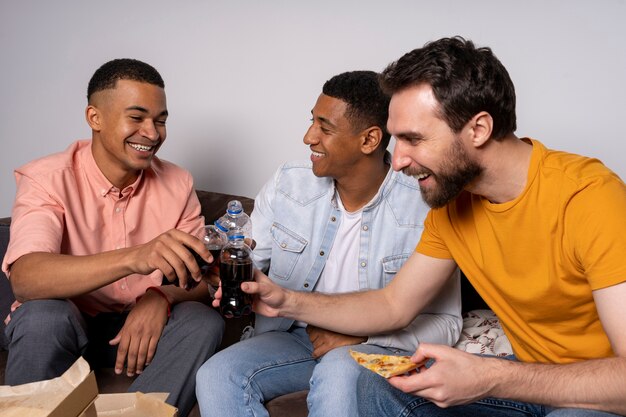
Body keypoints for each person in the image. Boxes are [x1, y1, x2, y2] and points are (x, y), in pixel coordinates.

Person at [235, 37, 626, 416]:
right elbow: (392, 305)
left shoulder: (588, 197)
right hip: (522, 383)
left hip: (593, 395)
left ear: (478, 129)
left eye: (413, 139)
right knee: (369, 383)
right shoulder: (453, 203)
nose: (399, 161)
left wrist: (492, 375)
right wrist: (285, 299)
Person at [196, 71, 462, 417]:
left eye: (325, 127)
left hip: (373, 346)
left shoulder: (424, 204)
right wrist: (223, 273)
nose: (309, 137)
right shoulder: (288, 184)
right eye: (312, 122)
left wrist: (366, 339)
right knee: (217, 374)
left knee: (339, 371)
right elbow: (250, 261)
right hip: (293, 337)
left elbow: (447, 322)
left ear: (369, 140)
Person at [1, 58, 224, 417]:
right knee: (44, 316)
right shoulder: (46, 178)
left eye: (161, 120)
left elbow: (204, 279)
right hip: (66, 324)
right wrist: (134, 258)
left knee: (202, 321)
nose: (152, 133)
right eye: (136, 118)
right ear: (95, 118)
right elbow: (26, 279)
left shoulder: (178, 183)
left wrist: (160, 297)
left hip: (135, 334)